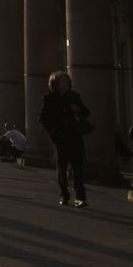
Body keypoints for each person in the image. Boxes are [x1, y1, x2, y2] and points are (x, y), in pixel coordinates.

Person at [39, 70, 91, 207]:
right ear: (55, 84)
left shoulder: (74, 96)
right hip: (60, 137)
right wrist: (53, 132)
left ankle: (80, 196)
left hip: (75, 136)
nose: (65, 83)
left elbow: (86, 112)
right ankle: (64, 194)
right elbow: (43, 118)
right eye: (62, 81)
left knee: (78, 168)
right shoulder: (49, 98)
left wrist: (78, 110)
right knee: (62, 168)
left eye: (67, 81)